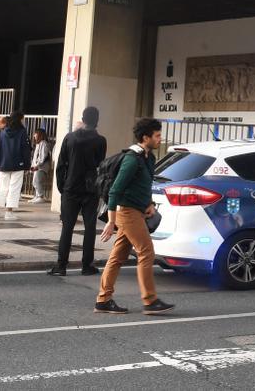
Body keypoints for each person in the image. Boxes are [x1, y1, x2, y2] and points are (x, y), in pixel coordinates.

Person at [95, 118, 174, 315]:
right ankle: (150, 300)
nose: (160, 138)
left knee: (118, 255)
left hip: (137, 211)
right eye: (157, 135)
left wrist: (148, 204)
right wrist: (111, 222)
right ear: (145, 137)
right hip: (127, 213)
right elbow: (115, 191)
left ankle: (103, 300)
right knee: (146, 251)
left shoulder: (149, 158)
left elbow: (142, 185)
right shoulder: (132, 160)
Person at [49, 107, 107, 277]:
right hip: (90, 189)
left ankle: (61, 265)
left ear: (83, 119)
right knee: (90, 227)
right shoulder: (100, 140)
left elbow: (60, 165)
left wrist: (62, 187)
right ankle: (87, 265)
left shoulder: (70, 138)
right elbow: (100, 164)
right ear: (97, 120)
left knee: (67, 226)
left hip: (71, 187)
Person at [0, 113, 31, 221]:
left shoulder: (2, 132)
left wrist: (0, 164)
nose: (23, 121)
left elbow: (0, 149)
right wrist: (27, 165)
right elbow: (25, 149)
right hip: (18, 164)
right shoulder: (22, 132)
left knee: (2, 188)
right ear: (19, 119)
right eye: (22, 119)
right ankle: (8, 213)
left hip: (4, 163)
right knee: (14, 188)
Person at [30, 128, 52, 204]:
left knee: (37, 181)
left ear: (40, 134)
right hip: (38, 166)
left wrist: (37, 165)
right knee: (34, 181)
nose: (34, 135)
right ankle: (37, 196)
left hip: (42, 166)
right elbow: (36, 157)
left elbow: (42, 156)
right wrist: (33, 165)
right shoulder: (38, 144)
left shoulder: (43, 143)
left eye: (35, 133)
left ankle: (41, 196)